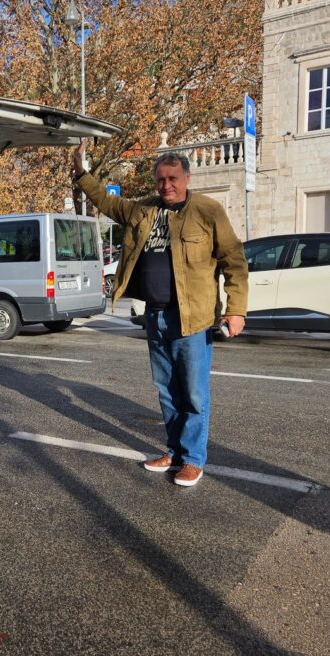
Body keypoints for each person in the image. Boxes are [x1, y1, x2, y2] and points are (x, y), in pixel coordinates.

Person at [72, 141, 248, 487]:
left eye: (173, 179)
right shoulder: (144, 210)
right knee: (167, 390)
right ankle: (176, 451)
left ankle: (194, 459)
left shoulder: (207, 211)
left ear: (187, 177)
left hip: (192, 319)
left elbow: (234, 260)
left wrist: (236, 309)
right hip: (155, 316)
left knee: (193, 393)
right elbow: (108, 202)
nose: (166, 186)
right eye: (161, 180)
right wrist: (81, 172)